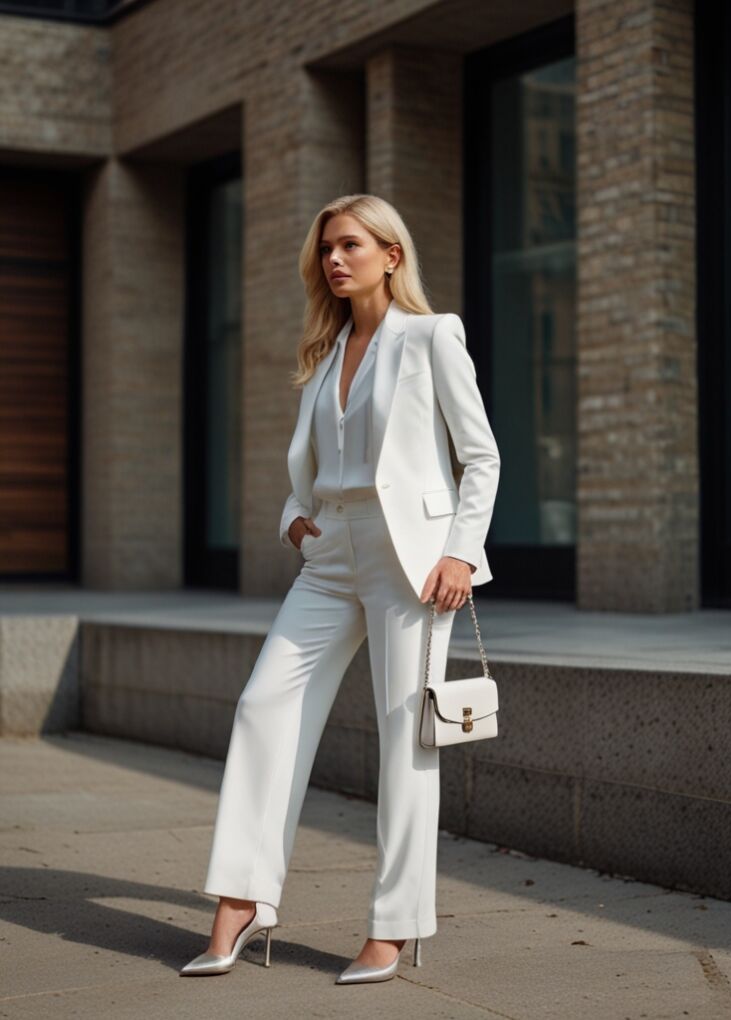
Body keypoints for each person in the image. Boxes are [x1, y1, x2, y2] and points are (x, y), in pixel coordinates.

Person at [179, 193, 500, 984]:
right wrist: (296, 518)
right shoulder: (325, 359)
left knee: (406, 740)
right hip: (329, 557)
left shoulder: (432, 337)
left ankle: (394, 927)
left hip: (413, 561)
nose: (334, 259)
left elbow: (481, 455)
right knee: (263, 706)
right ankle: (243, 900)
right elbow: (311, 471)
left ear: (392, 255)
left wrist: (461, 553)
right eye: (327, 248)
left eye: (351, 245)